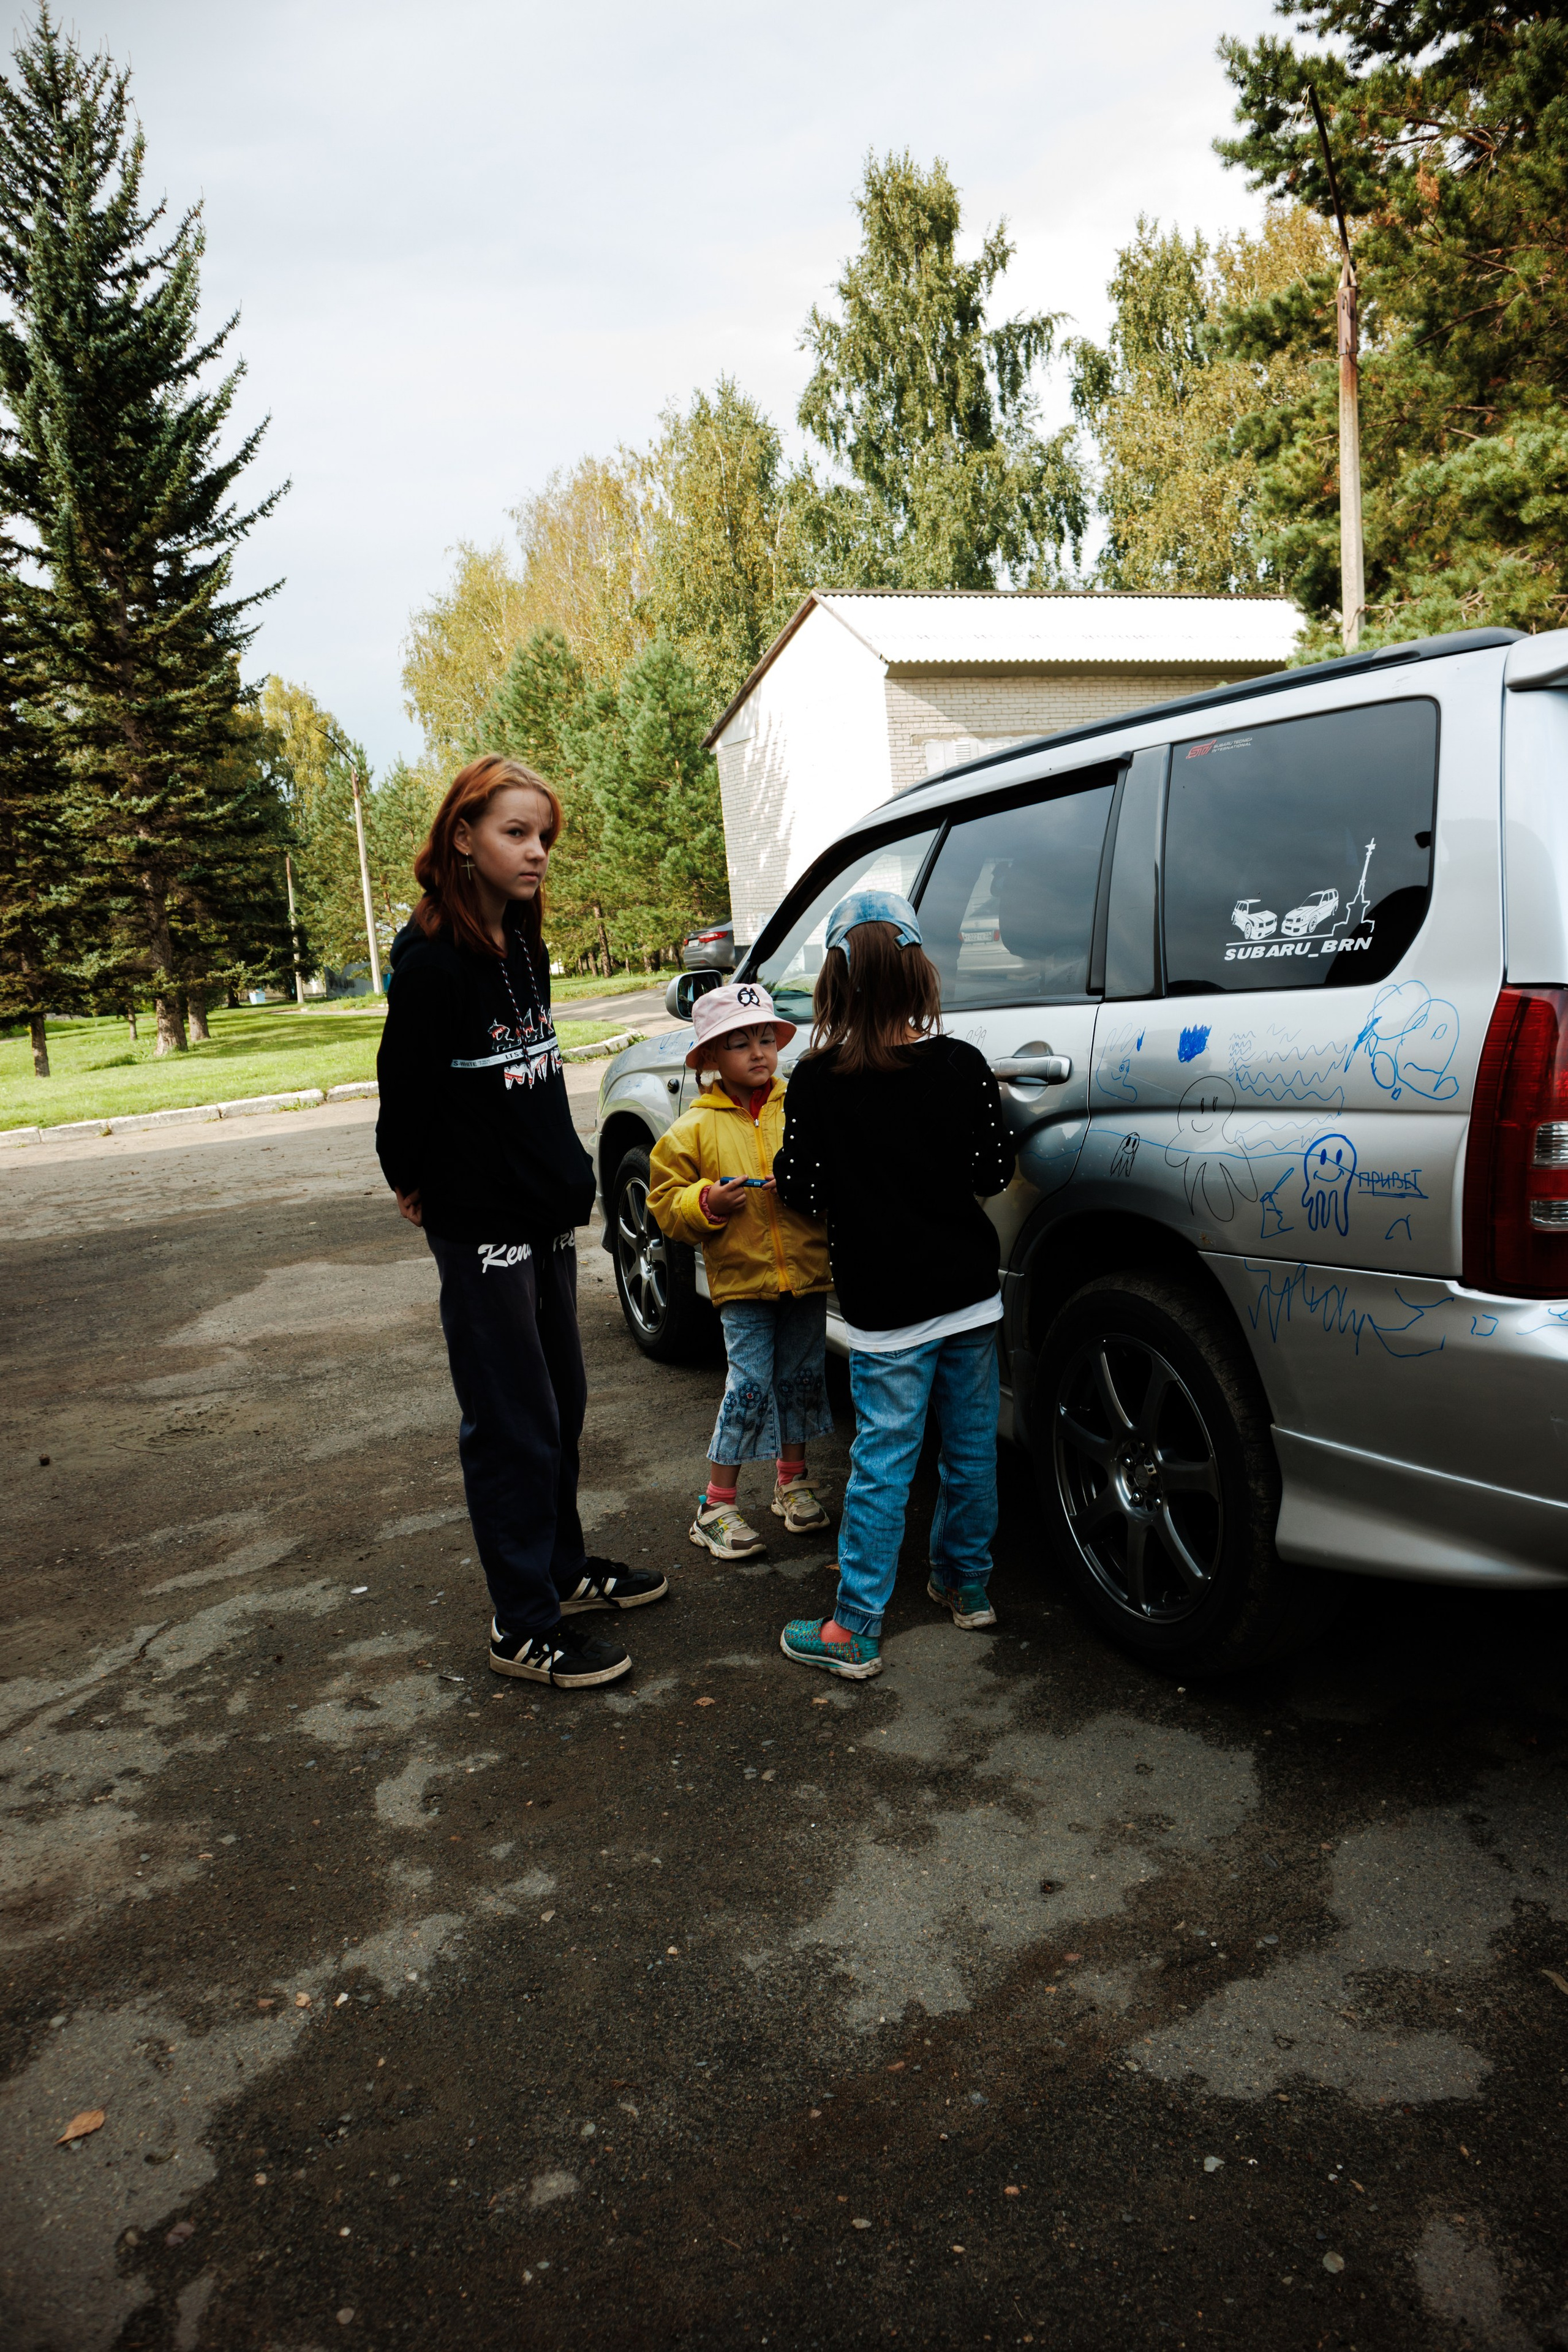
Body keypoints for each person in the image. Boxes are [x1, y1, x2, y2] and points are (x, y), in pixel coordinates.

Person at [375, 754, 667, 1691]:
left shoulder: (524, 941)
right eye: (516, 833)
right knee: (511, 1423)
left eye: (544, 835)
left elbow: (532, 1081)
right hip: (482, 1225)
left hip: (542, 1216)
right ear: (463, 838)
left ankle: (560, 1569)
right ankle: (521, 1623)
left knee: (561, 1408)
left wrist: (561, 1181)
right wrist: (414, 1182)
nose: (537, 852)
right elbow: (403, 1097)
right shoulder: (431, 966)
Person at [771, 889, 1015, 1679]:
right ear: (919, 974)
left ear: (834, 984)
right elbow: (993, 1170)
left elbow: (804, 1190)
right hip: (970, 1295)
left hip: (884, 1310)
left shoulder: (814, 1082)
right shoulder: (961, 1065)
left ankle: (855, 1627)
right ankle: (966, 1584)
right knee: (972, 1449)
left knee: (883, 1462)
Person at [647, 982, 834, 1560]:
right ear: (708, 1061)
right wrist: (707, 1203)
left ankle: (791, 1481)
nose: (757, 1053)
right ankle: (716, 1504)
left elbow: (830, 1171)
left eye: (764, 1039)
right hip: (743, 1283)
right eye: (738, 1044)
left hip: (804, 1275)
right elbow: (665, 1201)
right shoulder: (694, 1128)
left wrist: (812, 1188)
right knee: (749, 1387)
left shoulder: (799, 1107)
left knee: (802, 1379)